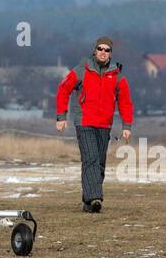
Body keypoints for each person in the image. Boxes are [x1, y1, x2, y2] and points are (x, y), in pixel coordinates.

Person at [55, 36, 133, 213]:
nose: (103, 52)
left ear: (110, 54)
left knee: (99, 164)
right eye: (100, 49)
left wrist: (126, 126)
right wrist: (61, 116)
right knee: (91, 159)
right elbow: (63, 89)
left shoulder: (117, 76)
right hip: (84, 122)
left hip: (105, 124)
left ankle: (88, 202)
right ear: (94, 50)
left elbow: (125, 102)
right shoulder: (81, 70)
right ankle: (95, 198)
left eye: (107, 50)